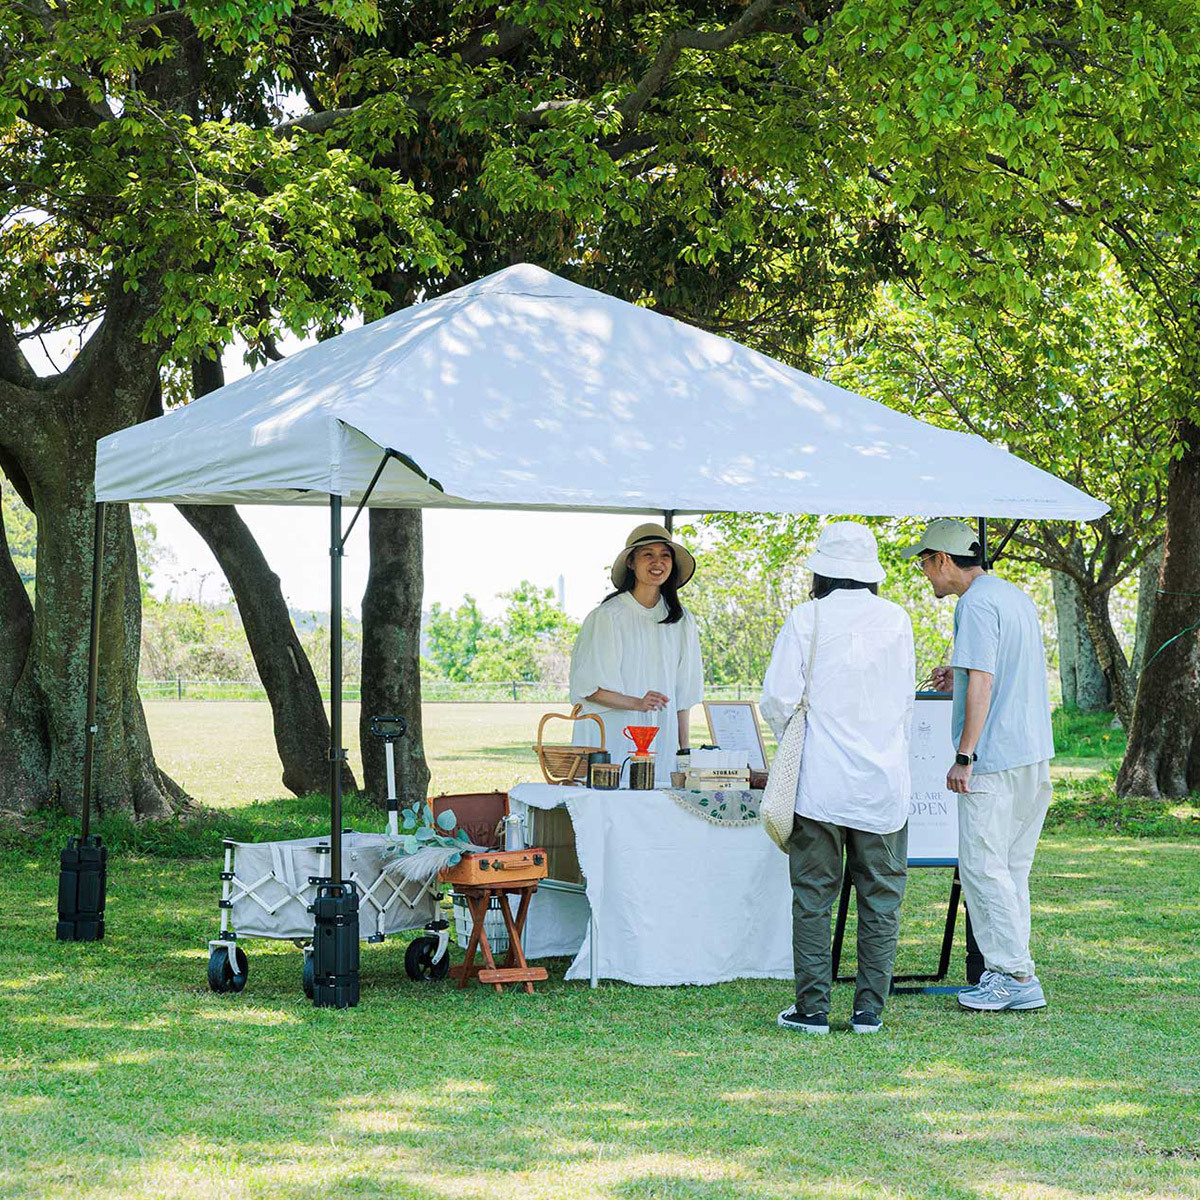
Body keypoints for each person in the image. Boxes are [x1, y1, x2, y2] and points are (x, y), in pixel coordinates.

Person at [761, 522, 915, 1035]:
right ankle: (869, 1010)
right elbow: (905, 701)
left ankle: (812, 1010)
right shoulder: (897, 619)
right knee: (881, 899)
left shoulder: (807, 617)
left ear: (822, 570)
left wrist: (799, 732)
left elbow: (777, 699)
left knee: (813, 898)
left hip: (819, 784)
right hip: (882, 783)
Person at [901, 518, 1054, 1013]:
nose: (925, 574)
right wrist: (959, 677)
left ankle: (1014, 975)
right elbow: (996, 673)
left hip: (993, 759)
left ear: (943, 559)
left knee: (982, 869)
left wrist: (964, 755)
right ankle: (1012, 970)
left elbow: (985, 682)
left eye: (925, 564)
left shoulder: (973, 604)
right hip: (1032, 755)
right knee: (1011, 869)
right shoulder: (1013, 596)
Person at [569, 523, 703, 783]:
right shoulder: (607, 617)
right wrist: (638, 703)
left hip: (661, 739)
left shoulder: (682, 620)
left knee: (658, 800)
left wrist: (683, 753)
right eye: (647, 554)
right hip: (609, 738)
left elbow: (683, 696)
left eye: (665, 555)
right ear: (631, 562)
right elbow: (589, 689)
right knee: (610, 800)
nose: (657, 562)